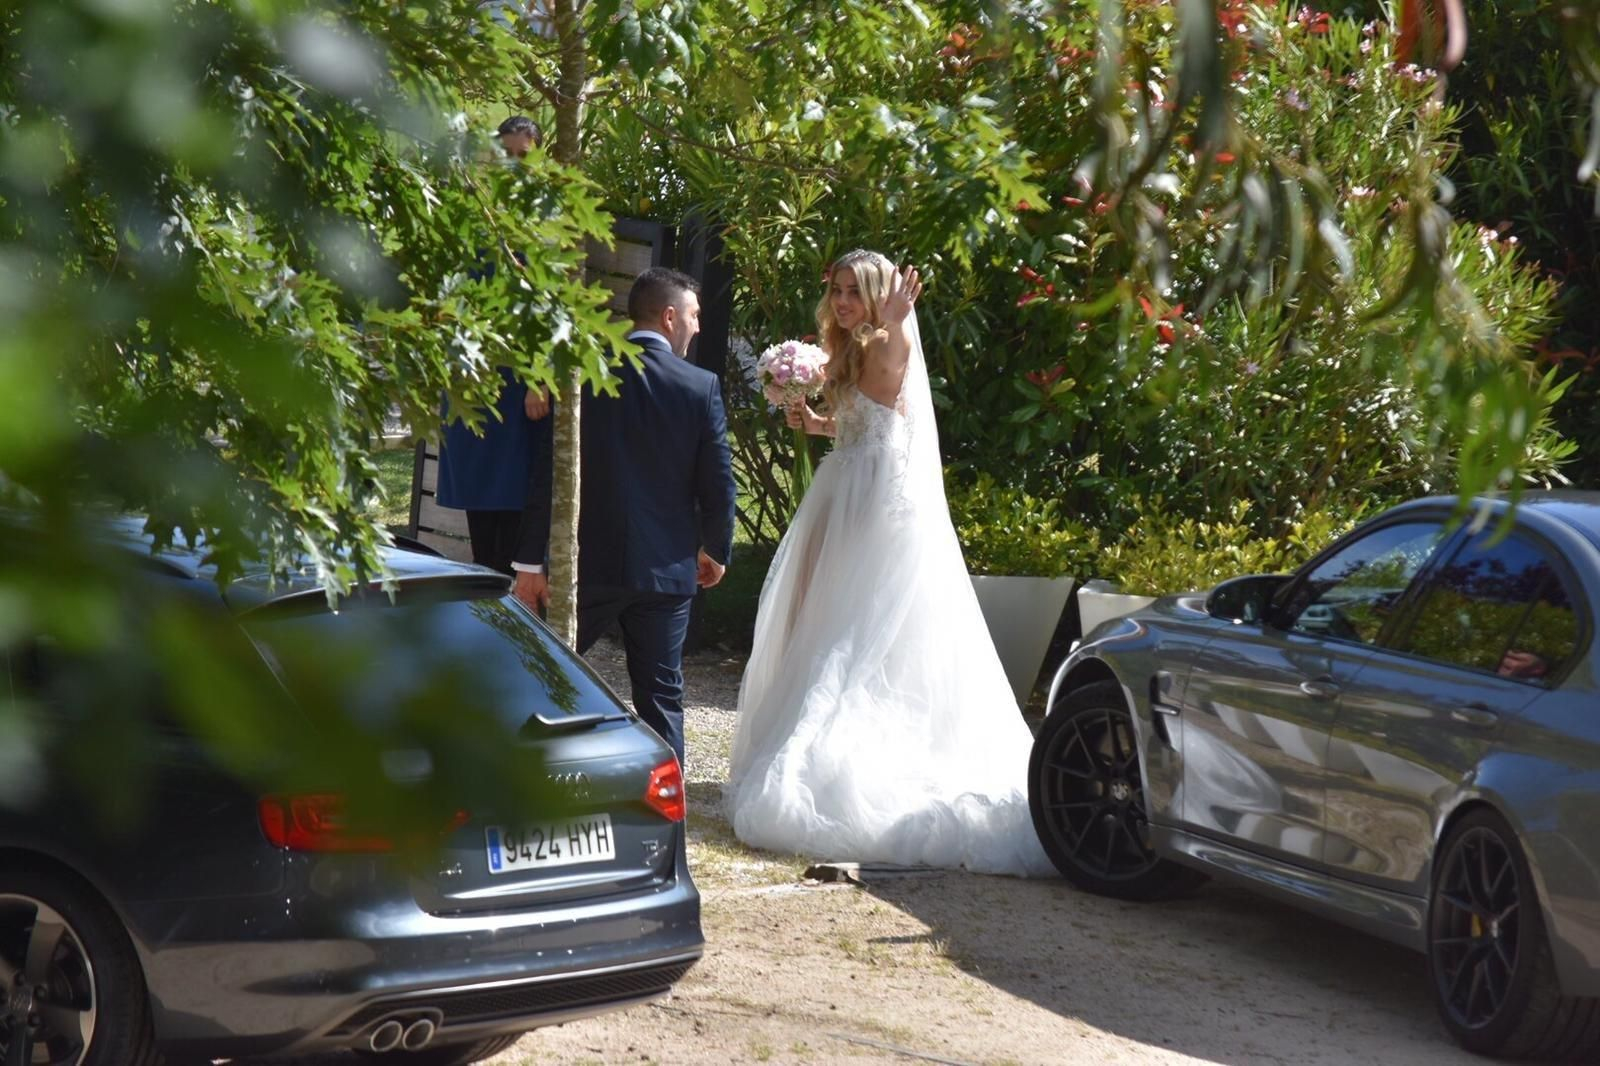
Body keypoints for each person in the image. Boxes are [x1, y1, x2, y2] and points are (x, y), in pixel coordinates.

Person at [726, 249, 1052, 876]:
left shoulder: (889, 338)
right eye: (839, 290)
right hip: (845, 486)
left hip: (875, 503)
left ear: (878, 295)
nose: (844, 301)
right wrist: (815, 419)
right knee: (817, 618)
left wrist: (897, 319)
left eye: (855, 291)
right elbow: (861, 424)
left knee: (855, 629)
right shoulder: (853, 345)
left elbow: (886, 403)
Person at [513, 267, 736, 764]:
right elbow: (718, 480)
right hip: (666, 571)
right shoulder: (700, 386)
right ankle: (667, 821)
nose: (698, 327)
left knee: (543, 679)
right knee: (661, 702)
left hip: (585, 565)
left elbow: (551, 473)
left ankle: (531, 785)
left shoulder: (585, 374)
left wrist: (530, 563)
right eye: (695, 316)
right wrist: (714, 548)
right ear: (671, 316)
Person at [433, 116, 549, 573]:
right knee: (481, 507)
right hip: (472, 380)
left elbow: (554, 305)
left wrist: (540, 378)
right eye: (506, 155)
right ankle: (488, 598)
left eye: (525, 156)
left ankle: (515, 606)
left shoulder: (550, 222)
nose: (515, 165)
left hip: (522, 387)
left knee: (520, 506)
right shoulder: (469, 217)